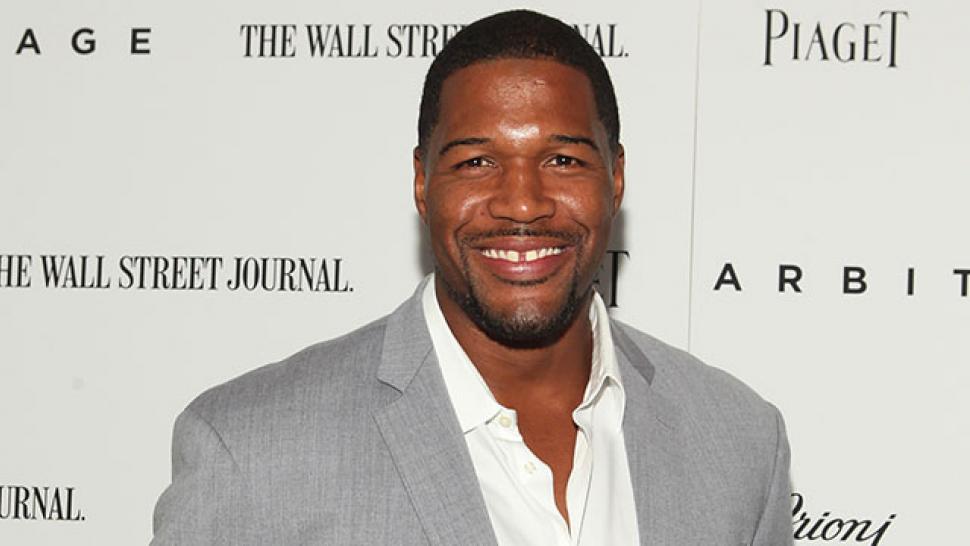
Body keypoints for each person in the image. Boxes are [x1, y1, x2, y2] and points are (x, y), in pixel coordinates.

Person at [151, 9, 792, 546]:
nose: (523, 203)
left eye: (562, 159)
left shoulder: (739, 441)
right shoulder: (252, 450)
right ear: (422, 183)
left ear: (615, 179)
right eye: (477, 162)